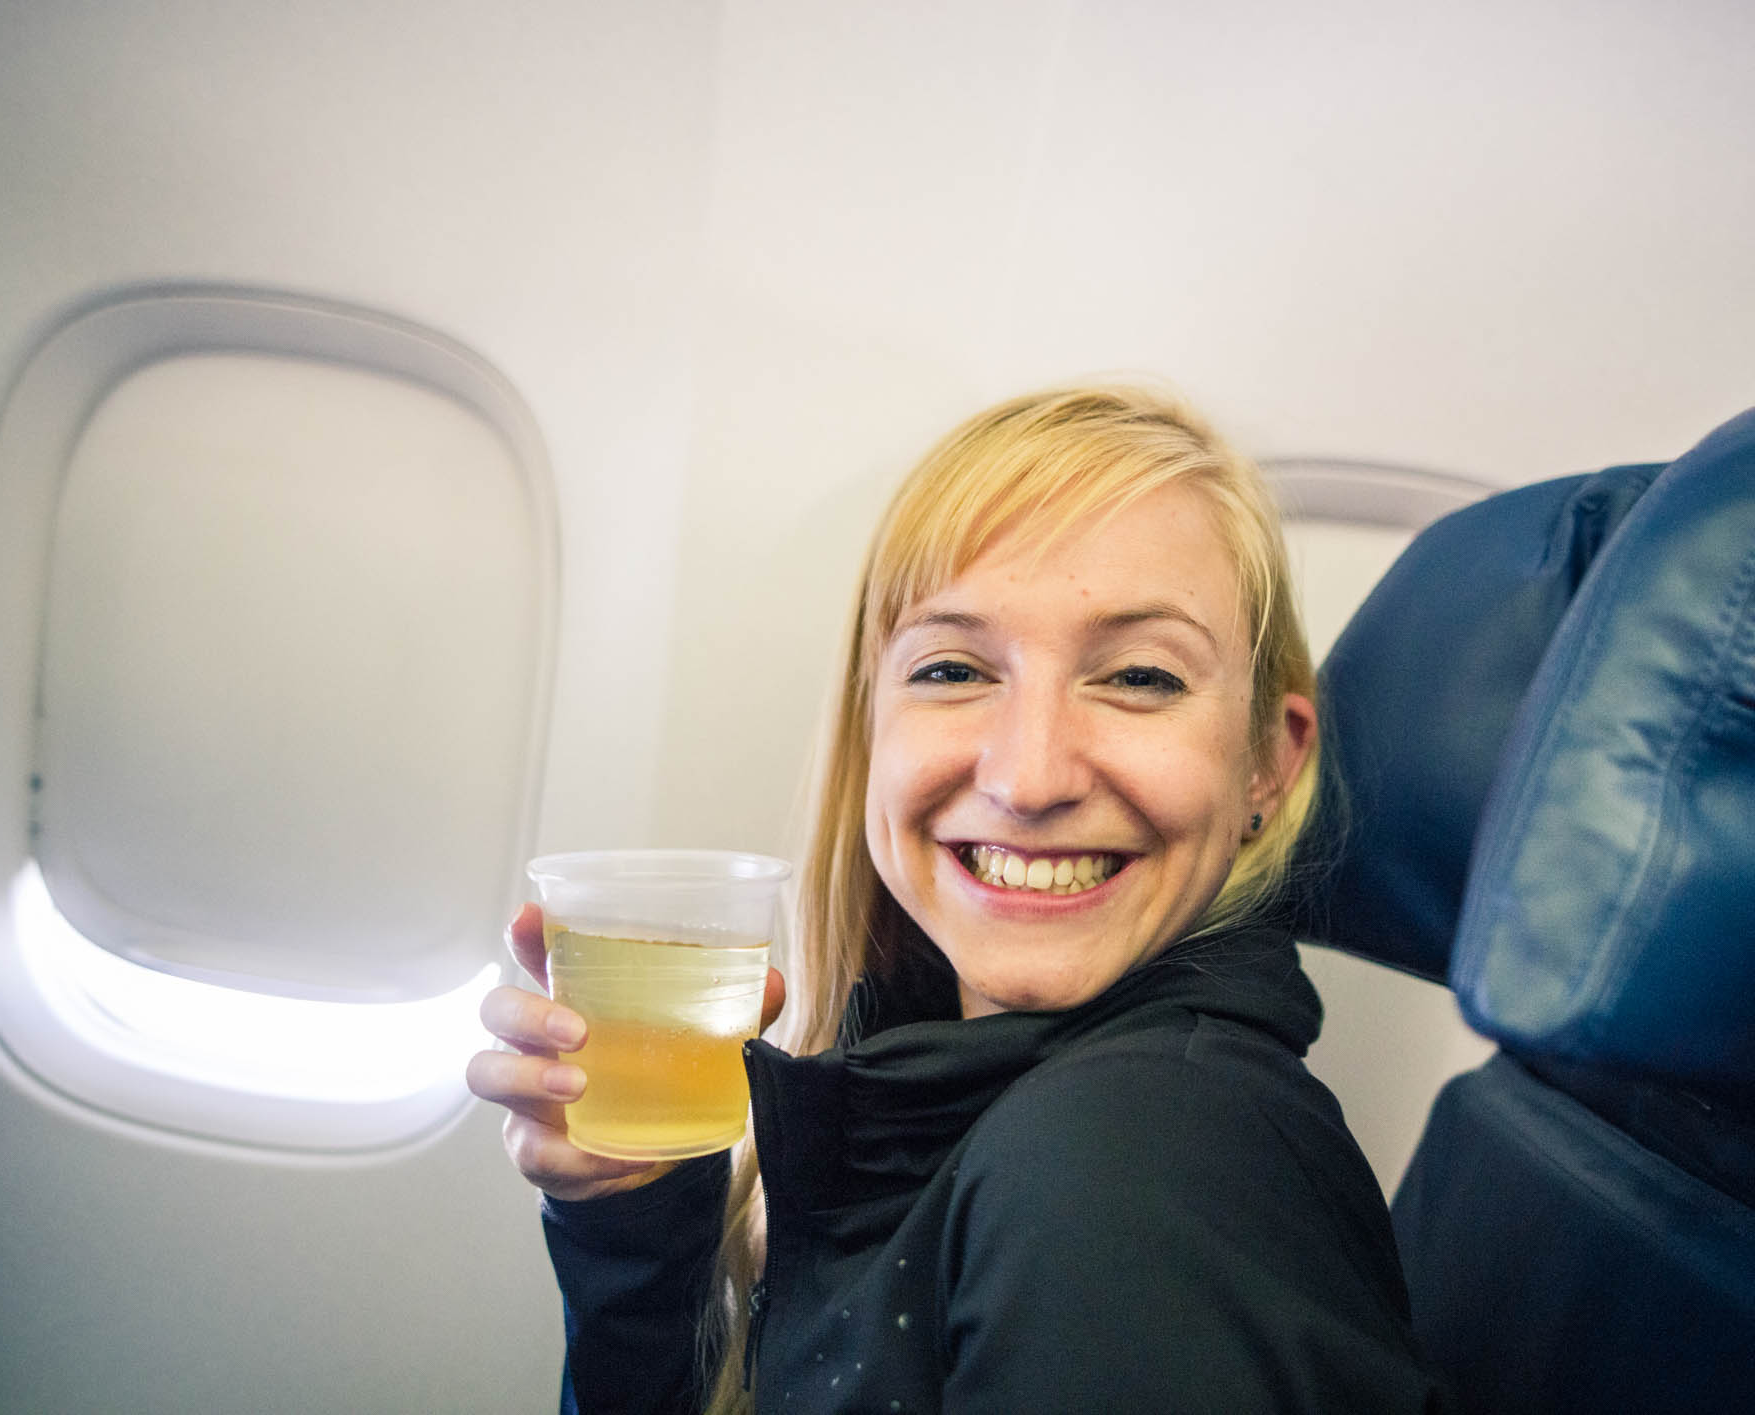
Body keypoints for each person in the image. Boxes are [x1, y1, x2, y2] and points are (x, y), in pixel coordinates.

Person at [467, 385, 1447, 1413]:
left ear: (1267, 762)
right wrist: (634, 1223)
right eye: (951, 668)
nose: (1029, 778)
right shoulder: (932, 1080)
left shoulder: (1125, 1166)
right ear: (871, 730)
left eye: (1140, 677)